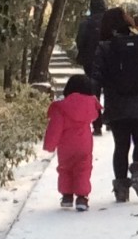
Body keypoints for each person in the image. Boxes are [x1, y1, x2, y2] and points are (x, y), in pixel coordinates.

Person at [96, 4, 138, 202]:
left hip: (117, 103)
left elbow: (96, 77)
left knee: (121, 145)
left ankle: (121, 190)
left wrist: (95, 103)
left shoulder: (105, 47)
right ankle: (137, 171)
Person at [42, 73, 100, 211]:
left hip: (66, 145)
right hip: (84, 143)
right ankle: (82, 197)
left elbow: (55, 128)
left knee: (65, 169)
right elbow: (97, 115)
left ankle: (67, 196)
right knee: (83, 169)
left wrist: (50, 145)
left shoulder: (61, 108)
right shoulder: (90, 105)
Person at [72, 0, 108, 136]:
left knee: (94, 93)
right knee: (111, 90)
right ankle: (110, 121)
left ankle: (97, 125)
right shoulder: (110, 21)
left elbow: (79, 41)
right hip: (109, 61)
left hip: (90, 61)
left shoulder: (85, 23)